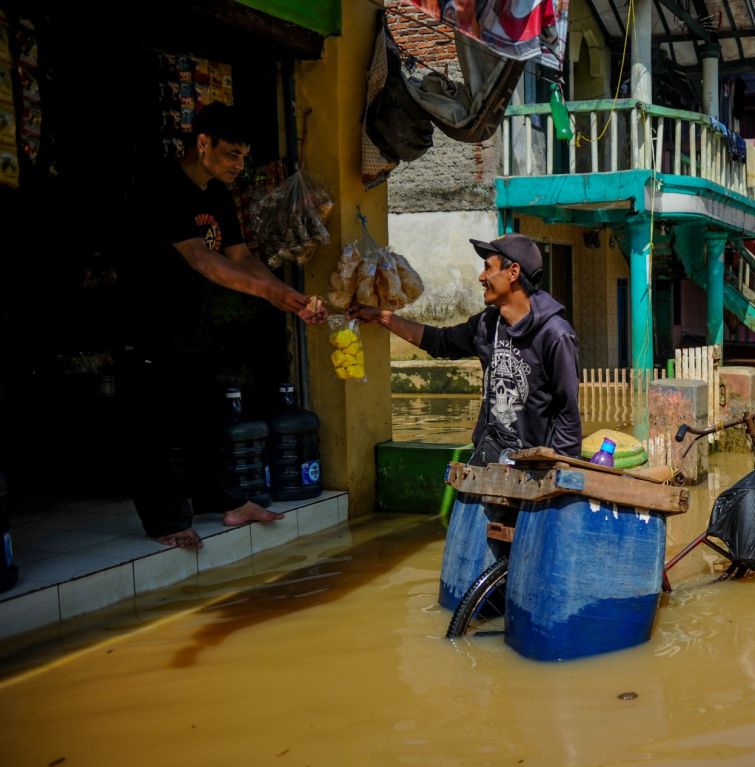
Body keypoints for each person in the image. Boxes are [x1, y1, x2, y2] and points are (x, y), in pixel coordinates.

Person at [119, 103, 326, 550]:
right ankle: (165, 522)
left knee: (207, 417)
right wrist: (268, 294)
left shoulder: (216, 194)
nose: (239, 165)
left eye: (243, 156)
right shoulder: (163, 187)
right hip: (146, 324)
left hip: (193, 323)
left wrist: (285, 297)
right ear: (202, 143)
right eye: (231, 154)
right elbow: (201, 257)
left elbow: (239, 256)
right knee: (154, 426)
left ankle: (228, 503)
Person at [350, 233, 582, 463]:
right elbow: (441, 342)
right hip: (489, 457)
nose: (482, 277)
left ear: (513, 273)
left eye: (488, 268)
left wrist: (557, 473)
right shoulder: (487, 324)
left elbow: (568, 413)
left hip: (533, 466)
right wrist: (383, 317)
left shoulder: (555, 335)